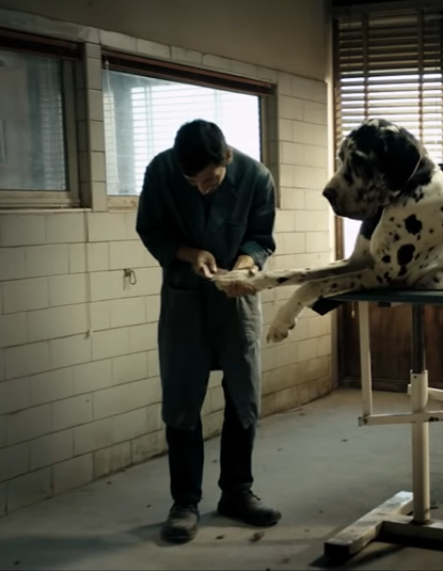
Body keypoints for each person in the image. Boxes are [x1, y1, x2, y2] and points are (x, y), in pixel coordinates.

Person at [136, 119, 280, 544]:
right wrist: (190, 253)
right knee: (181, 400)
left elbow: (261, 239)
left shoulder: (256, 177)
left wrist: (244, 267)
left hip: (236, 299)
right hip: (184, 298)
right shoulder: (161, 170)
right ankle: (184, 502)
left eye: (211, 181)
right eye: (192, 183)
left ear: (227, 157)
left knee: (243, 397)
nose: (201, 189)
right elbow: (151, 229)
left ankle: (237, 492)